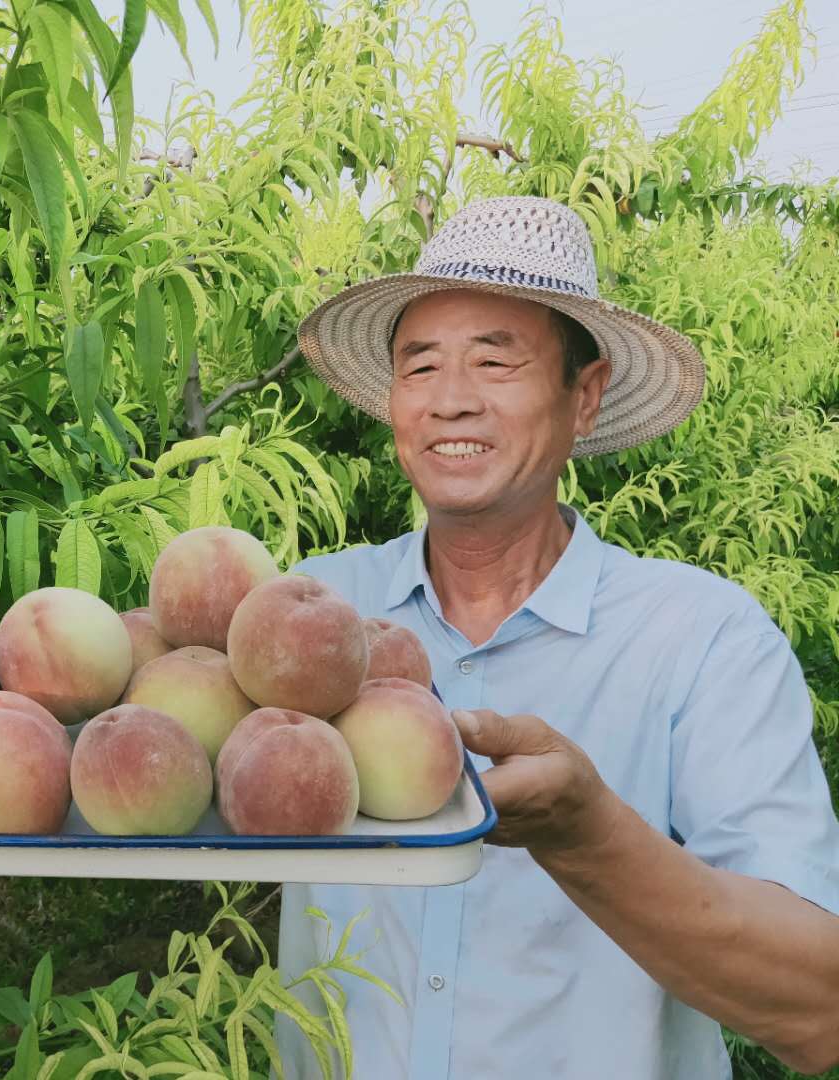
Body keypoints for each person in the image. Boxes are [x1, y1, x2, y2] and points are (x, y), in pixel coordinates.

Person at [275, 196, 839, 1079]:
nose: (451, 401)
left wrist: (589, 836)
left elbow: (821, 1012)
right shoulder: (311, 616)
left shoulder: (700, 639)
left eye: (495, 361)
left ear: (585, 396)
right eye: (419, 367)